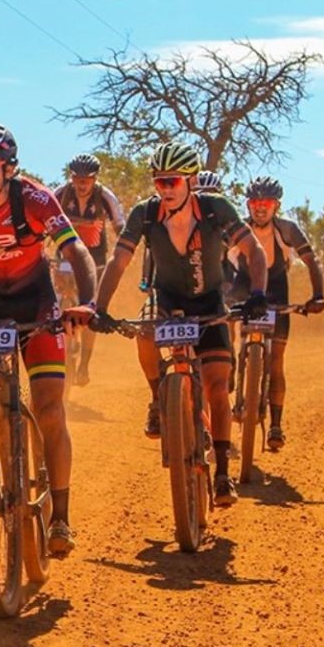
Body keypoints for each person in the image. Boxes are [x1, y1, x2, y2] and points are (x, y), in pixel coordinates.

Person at [0, 122, 97, 557]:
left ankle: (61, 517)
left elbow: (76, 252)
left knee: (50, 408)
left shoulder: (34, 198)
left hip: (37, 306)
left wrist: (86, 302)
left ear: (9, 168)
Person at [93, 141, 268, 506]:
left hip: (209, 302)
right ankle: (160, 398)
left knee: (218, 389)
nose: (166, 189)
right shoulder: (145, 213)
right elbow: (119, 260)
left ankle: (221, 473)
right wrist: (99, 307)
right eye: (159, 181)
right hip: (167, 300)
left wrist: (258, 295)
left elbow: (254, 251)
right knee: (142, 333)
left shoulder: (214, 208)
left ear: (189, 180)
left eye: (172, 181)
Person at [228, 176, 324, 451]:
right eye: (255, 202)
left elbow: (312, 260)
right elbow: (217, 258)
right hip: (244, 289)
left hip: (277, 294)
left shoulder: (288, 230)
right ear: (248, 204)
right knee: (225, 326)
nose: (260, 207)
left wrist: (318, 295)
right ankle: (231, 373)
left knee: (276, 363)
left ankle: (276, 425)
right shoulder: (237, 228)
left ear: (276, 206)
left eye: (266, 202)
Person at [53, 154, 125, 386]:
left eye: (87, 179)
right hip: (65, 256)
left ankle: (84, 364)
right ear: (71, 177)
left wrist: (124, 249)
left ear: (95, 179)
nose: (81, 184)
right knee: (55, 300)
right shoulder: (60, 194)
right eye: (77, 178)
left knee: (91, 310)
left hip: (96, 259)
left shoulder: (105, 197)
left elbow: (121, 226)